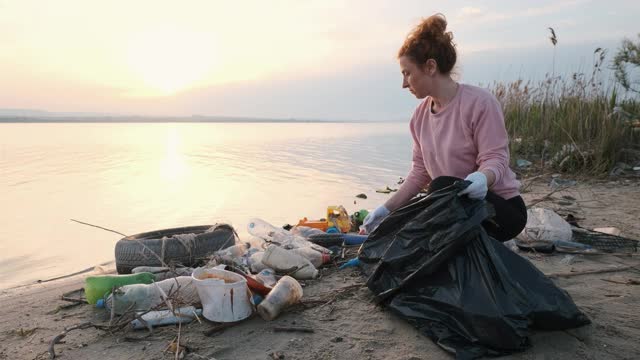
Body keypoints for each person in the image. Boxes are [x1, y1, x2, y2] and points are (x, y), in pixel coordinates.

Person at [361, 13, 527, 242]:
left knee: (441, 185)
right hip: (454, 207)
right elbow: (419, 172)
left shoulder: (480, 103)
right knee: (402, 221)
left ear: (430, 67)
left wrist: (481, 178)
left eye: (407, 73)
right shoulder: (419, 117)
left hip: (500, 210)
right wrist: (385, 209)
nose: (403, 83)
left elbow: (496, 158)